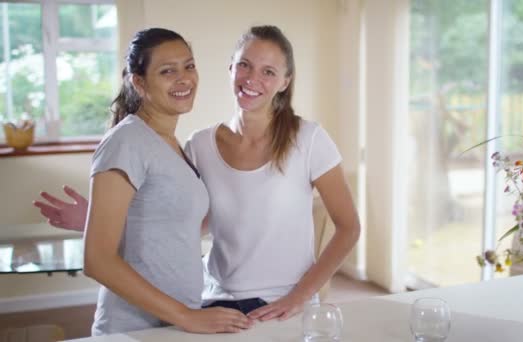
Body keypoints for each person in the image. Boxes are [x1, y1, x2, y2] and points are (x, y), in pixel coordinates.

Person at [34, 25, 360, 322]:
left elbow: (348, 227)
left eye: (269, 71)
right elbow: (182, 221)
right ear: (230, 67)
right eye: (244, 65)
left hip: (282, 304)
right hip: (214, 302)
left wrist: (301, 295)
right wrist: (98, 220)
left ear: (285, 82)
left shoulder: (309, 139)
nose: (252, 78)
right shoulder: (199, 144)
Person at [67, 27, 252, 336]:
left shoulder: (170, 143)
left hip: (175, 323)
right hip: (135, 329)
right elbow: (97, 260)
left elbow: (167, 225)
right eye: (168, 71)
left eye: (189, 66)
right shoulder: (127, 141)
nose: (184, 79)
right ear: (138, 83)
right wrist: (187, 317)